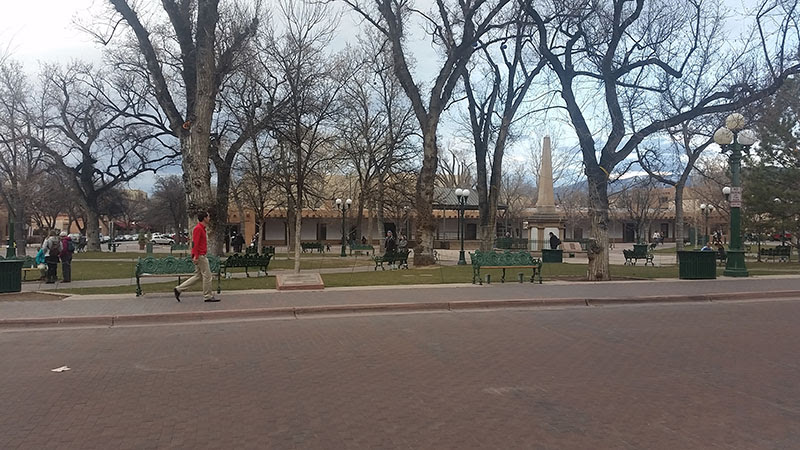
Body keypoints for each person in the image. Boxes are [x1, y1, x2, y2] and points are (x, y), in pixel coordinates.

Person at [174, 212, 217, 303]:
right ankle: (207, 296)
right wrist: (195, 256)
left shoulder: (202, 229)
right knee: (207, 276)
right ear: (204, 218)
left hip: (200, 255)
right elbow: (195, 244)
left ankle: (179, 289)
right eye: (208, 217)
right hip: (200, 256)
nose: (209, 218)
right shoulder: (198, 229)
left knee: (198, 276)